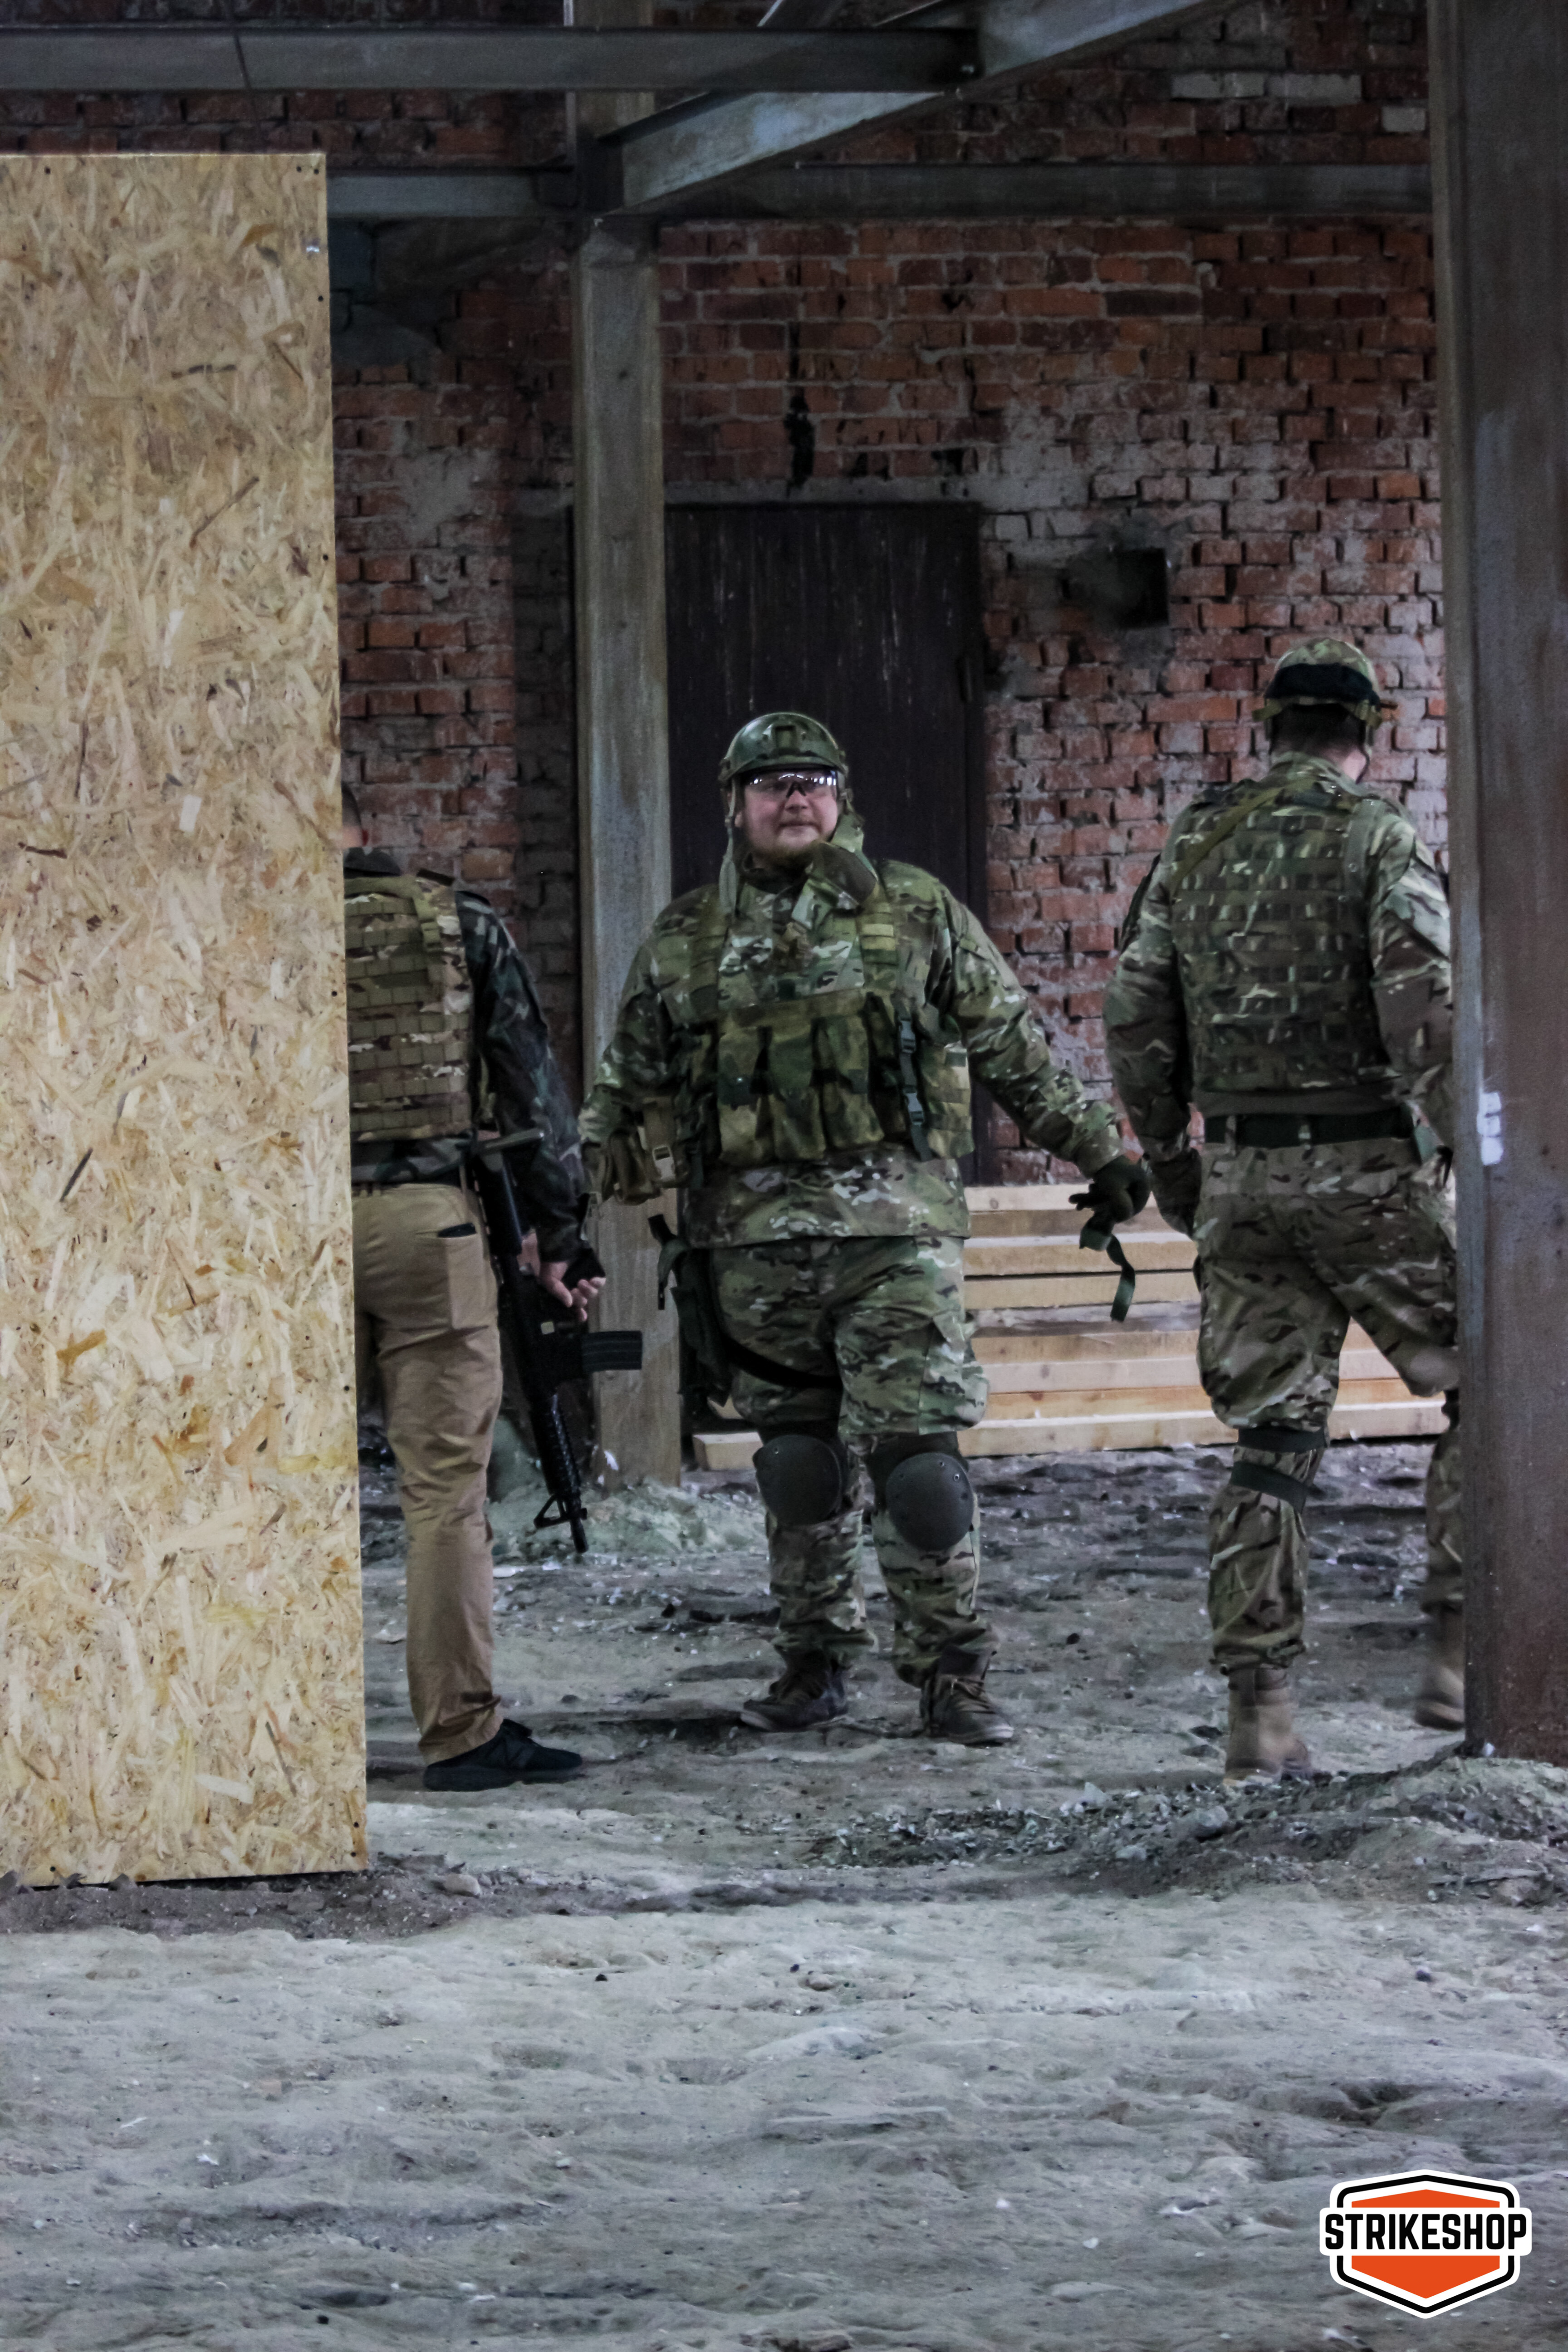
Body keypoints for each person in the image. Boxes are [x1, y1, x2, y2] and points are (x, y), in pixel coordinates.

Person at [578, 712, 1148, 1745]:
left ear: (843, 798)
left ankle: (952, 1675)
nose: (795, 796)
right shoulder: (684, 937)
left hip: (895, 1243)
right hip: (748, 1248)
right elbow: (624, 1087)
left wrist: (1101, 1153)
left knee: (919, 1465)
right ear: (735, 804)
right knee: (797, 1465)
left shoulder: (916, 910)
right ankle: (814, 1662)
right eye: (771, 782)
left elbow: (1011, 1044)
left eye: (815, 780)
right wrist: (565, 1218)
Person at [1103, 639, 1460, 1781]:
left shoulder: (1197, 842)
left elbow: (1134, 1011)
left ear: (1270, 730)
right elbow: (1423, 1006)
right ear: (1370, 734)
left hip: (1245, 1179)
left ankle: (1261, 1715)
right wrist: (1464, 1147)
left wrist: (1175, 1164)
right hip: (1370, 1170)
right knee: (1490, 1390)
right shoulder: (1378, 837)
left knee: (1272, 1442)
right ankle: (1460, 1654)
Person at [342, 786, 604, 1792]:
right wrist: (561, 1237)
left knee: (275, 1491)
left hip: (276, 1243)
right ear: (367, 833)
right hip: (428, 1227)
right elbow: (534, 1093)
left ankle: (279, 1750)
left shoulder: (240, 930)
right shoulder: (456, 921)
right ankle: (460, 1734)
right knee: (443, 1497)